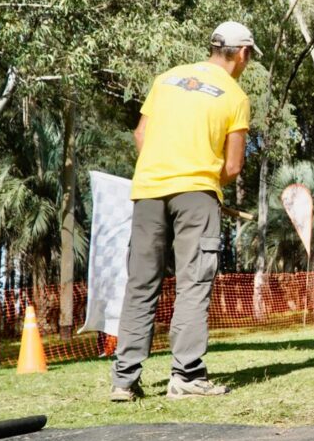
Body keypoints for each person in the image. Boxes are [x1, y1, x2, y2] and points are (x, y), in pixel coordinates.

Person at [110, 21, 256, 401]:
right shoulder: (235, 95)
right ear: (242, 53)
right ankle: (187, 376)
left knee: (141, 283)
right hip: (197, 195)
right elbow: (233, 165)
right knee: (193, 283)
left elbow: (141, 134)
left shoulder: (167, 79)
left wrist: (163, 170)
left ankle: (124, 380)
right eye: (249, 57)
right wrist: (202, 181)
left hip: (148, 191)